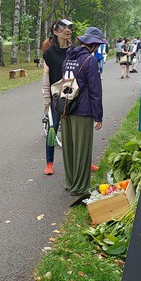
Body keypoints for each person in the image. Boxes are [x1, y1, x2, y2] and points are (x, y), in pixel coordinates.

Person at [61, 27, 106, 197]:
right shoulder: (90, 60)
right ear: (93, 44)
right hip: (83, 110)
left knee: (69, 148)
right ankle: (79, 187)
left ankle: (69, 182)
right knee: (82, 149)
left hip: (66, 107)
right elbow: (95, 90)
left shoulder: (68, 58)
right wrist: (98, 115)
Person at [42, 18, 73, 175]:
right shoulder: (49, 53)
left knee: (75, 131)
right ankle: (49, 163)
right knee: (52, 130)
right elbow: (46, 76)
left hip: (74, 97)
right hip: (56, 99)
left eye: (69, 28)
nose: (68, 30)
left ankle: (83, 162)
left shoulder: (74, 50)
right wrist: (46, 99)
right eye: (63, 28)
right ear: (55, 31)